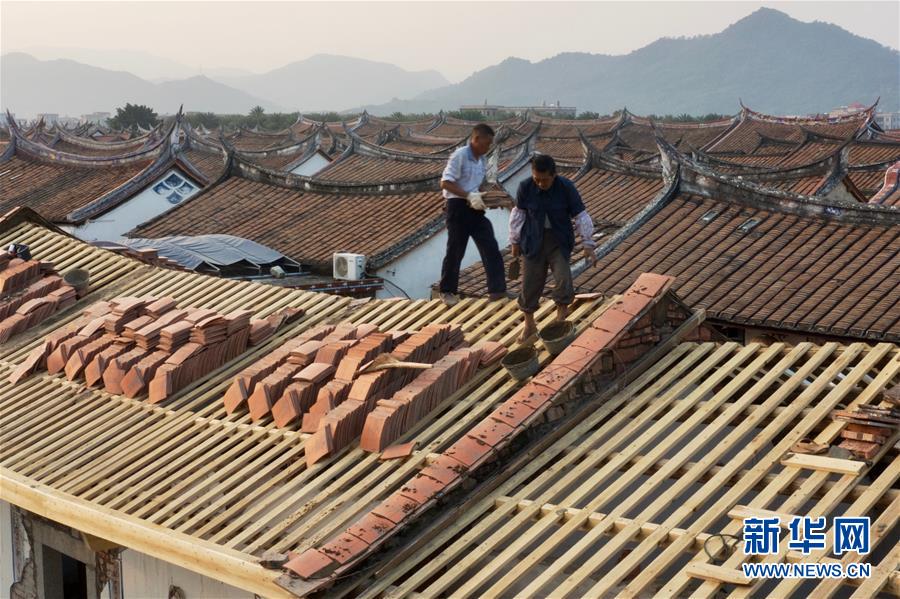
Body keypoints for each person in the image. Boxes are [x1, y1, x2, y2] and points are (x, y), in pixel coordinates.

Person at [509, 154, 598, 342]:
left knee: (563, 278)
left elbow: (580, 216)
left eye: (544, 180)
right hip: (533, 240)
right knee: (530, 283)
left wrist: (588, 243)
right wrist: (515, 242)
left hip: (559, 240)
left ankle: (560, 320)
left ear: (554, 175)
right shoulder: (525, 187)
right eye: (537, 179)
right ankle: (529, 325)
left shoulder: (566, 187)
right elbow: (518, 215)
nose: (540, 184)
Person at [437, 123, 507, 306]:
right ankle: (447, 291)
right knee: (456, 250)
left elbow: (478, 185)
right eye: (486, 143)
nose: (488, 147)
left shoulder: (481, 160)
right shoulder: (460, 155)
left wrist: (491, 198)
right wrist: (468, 195)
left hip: (474, 207)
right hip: (457, 206)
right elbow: (445, 183)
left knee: (490, 246)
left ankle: (497, 290)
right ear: (476, 139)